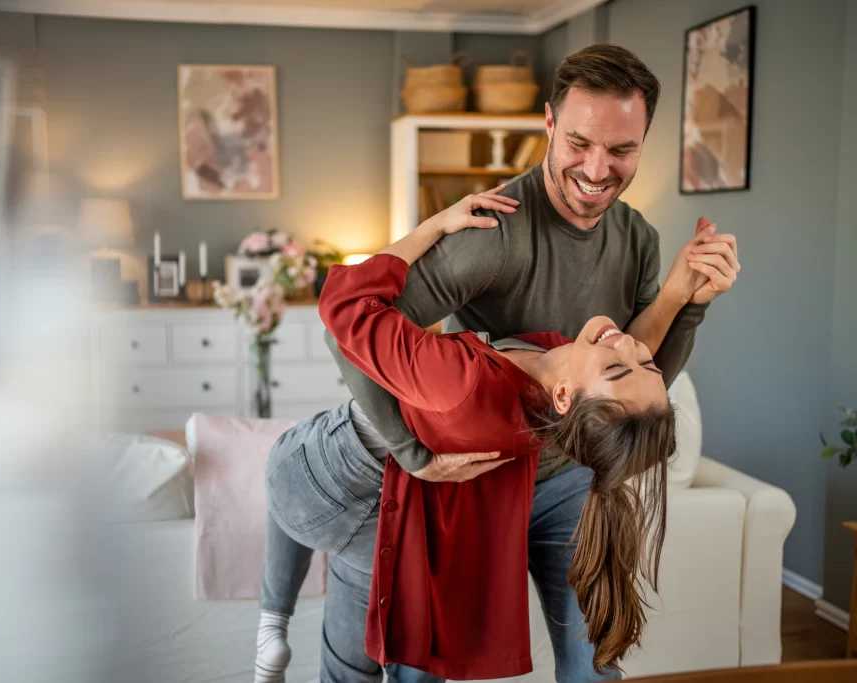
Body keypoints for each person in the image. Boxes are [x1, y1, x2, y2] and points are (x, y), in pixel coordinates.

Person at [315, 43, 740, 682]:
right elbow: (350, 331)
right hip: (480, 476)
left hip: (570, 479)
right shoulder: (496, 234)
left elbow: (642, 379)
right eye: (579, 142)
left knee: (596, 664)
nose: (598, 169)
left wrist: (693, 302)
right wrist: (412, 452)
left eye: (622, 149)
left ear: (644, 141)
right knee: (425, 666)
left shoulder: (638, 240)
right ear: (548, 123)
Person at [252, 184, 719, 682]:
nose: (628, 342)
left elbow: (342, 309)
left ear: (566, 399)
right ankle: (272, 624)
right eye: (643, 360)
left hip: (330, 470)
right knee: (367, 631)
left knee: (280, 484)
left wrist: (435, 225)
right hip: (369, 479)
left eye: (619, 366)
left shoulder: (467, 382)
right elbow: (626, 406)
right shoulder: (559, 405)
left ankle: (270, 624)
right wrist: (682, 299)